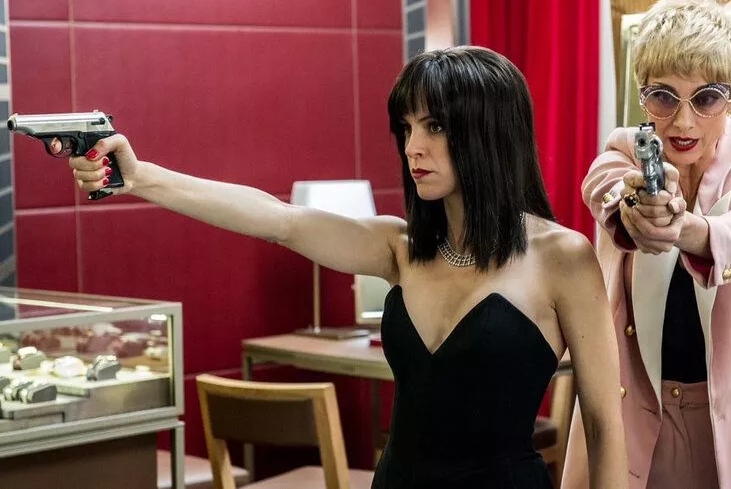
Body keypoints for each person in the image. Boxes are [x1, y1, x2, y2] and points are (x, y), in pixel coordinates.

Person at [65, 46, 627, 488]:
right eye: (406, 128)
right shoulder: (398, 247)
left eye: (434, 126)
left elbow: (603, 421)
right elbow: (277, 219)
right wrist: (142, 177)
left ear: (489, 132)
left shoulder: (562, 257)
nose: (413, 146)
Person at [562, 0, 731, 489]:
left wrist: (687, 229)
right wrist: (637, 208)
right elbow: (605, 188)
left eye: (706, 97)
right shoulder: (624, 155)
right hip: (641, 420)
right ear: (641, 93)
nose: (683, 120)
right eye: (663, 96)